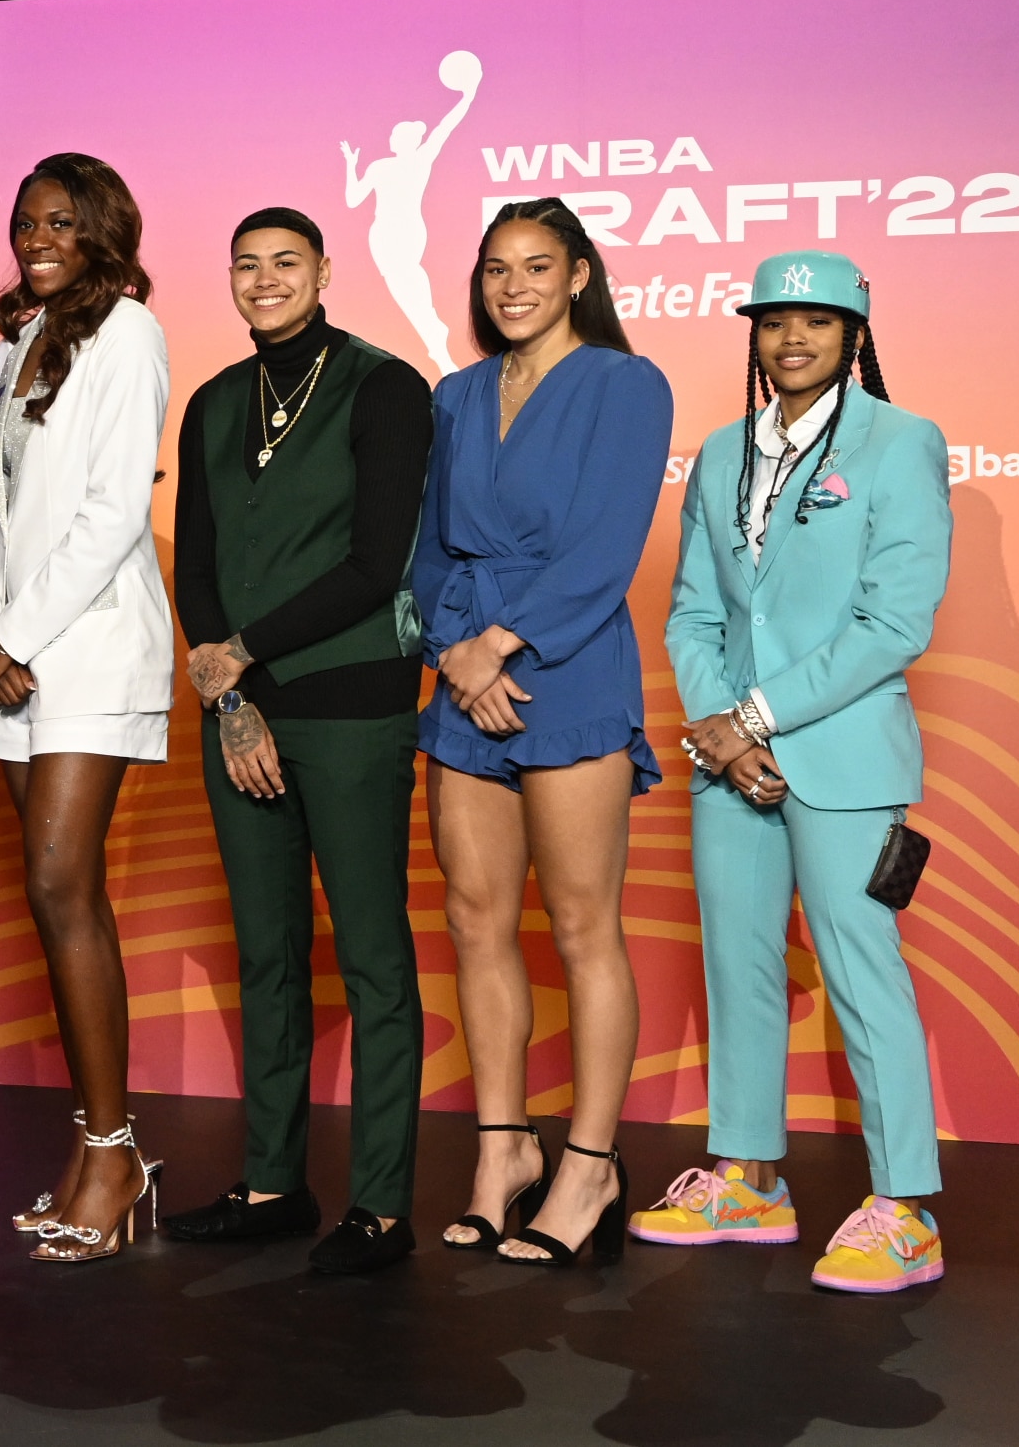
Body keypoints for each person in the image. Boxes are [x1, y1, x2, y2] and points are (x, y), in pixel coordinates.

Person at [641, 251, 953, 1292]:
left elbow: (894, 620)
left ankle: (905, 1207)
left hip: (845, 756)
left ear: (854, 332)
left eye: (817, 319)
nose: (792, 338)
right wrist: (723, 729)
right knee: (739, 968)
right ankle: (748, 1178)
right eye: (775, 320)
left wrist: (759, 714)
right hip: (731, 763)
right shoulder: (724, 446)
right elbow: (692, 608)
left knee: (866, 977)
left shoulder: (901, 441)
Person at [160, 209, 435, 1277]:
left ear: (323, 270)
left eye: (286, 262)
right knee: (267, 951)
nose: (265, 279)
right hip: (245, 712)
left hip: (353, 705)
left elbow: (376, 563)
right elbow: (197, 561)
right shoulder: (217, 400)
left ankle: (380, 1202)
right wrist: (231, 695)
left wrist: (241, 654)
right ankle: (273, 1180)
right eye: (246, 263)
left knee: (372, 956)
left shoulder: (384, 385)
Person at [418, 199, 672, 1268]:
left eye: (536, 265)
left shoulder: (626, 382)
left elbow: (607, 546)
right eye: (494, 268)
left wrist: (502, 646)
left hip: (564, 667)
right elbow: (426, 545)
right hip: (465, 670)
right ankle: (501, 1152)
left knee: (582, 926)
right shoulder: (456, 392)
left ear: (579, 274)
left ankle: (589, 1163)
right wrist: (455, 649)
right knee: (478, 921)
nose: (512, 284)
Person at [0, 153, 173, 1266]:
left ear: (104, 232)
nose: (39, 238)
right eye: (27, 222)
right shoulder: (15, 341)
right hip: (16, 658)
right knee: (53, 900)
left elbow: (111, 512)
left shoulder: (128, 332)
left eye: (62, 221)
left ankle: (117, 1145)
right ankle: (100, 1154)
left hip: (86, 650)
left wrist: (19, 636)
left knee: (60, 879)